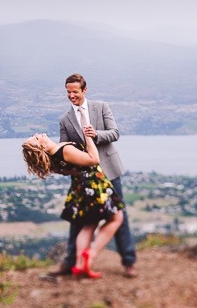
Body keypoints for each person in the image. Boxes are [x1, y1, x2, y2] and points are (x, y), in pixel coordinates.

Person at [53, 73, 137, 278]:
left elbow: (115, 133)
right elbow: (66, 147)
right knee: (78, 220)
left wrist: (96, 134)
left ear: (84, 90)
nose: (71, 95)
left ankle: (128, 261)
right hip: (86, 176)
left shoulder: (101, 107)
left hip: (109, 170)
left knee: (120, 215)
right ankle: (71, 262)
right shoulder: (65, 120)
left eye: (75, 91)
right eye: (68, 92)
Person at [22, 132, 124, 278]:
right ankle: (91, 253)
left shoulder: (54, 156)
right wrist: (89, 138)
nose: (38, 134)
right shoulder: (64, 151)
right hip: (94, 185)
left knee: (89, 225)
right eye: (37, 138)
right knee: (117, 218)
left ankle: (79, 266)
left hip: (80, 188)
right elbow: (94, 159)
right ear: (42, 147)